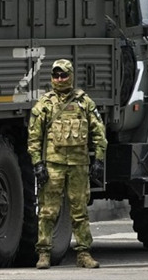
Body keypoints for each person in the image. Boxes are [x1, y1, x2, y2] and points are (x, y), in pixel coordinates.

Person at [27, 59, 106, 269]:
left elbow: (98, 132)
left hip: (79, 165)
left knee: (79, 211)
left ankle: (84, 253)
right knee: (47, 211)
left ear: (71, 76)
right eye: (56, 75)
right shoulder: (45, 104)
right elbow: (34, 138)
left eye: (63, 75)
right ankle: (44, 253)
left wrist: (99, 159)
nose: (59, 79)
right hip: (53, 164)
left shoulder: (83, 102)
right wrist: (37, 164)